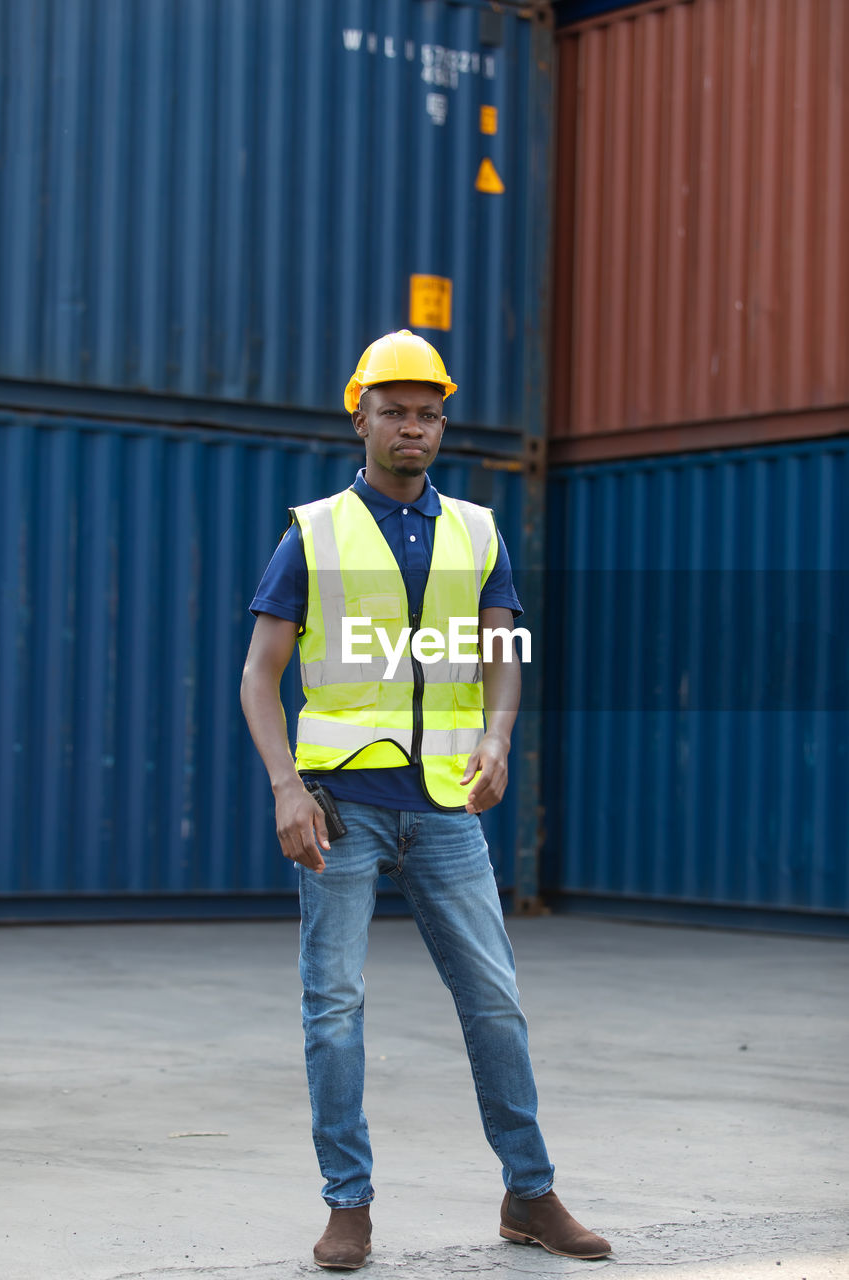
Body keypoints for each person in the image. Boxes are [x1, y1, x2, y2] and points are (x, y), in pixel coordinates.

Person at [240, 330, 611, 1270]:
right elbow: (259, 676)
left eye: (429, 412)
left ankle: (529, 1194)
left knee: (493, 1003)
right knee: (334, 1007)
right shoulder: (312, 530)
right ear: (358, 416)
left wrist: (496, 735)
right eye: (396, 410)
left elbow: (500, 656)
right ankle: (348, 1205)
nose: (414, 426)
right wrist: (286, 785)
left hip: (446, 809)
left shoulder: (477, 531)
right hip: (340, 810)